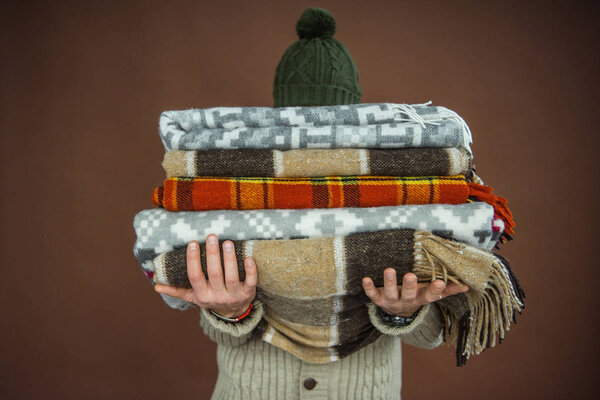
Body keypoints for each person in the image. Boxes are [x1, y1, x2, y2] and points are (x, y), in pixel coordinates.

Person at [155, 8, 470, 399]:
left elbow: (432, 335)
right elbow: (218, 326)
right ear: (278, 118)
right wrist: (229, 311)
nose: (314, 140)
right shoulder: (242, 183)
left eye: (330, 125)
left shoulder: (392, 186)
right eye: (298, 124)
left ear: (354, 117)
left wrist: (401, 311)